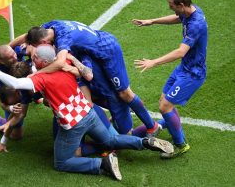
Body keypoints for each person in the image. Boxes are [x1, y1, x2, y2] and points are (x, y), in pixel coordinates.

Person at [0, 44, 174, 180]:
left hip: (73, 123)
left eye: (34, 59)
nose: (31, 59)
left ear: (42, 62)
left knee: (61, 162)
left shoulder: (40, 79)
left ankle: (102, 165)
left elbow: (16, 83)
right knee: (110, 140)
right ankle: (145, 142)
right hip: (89, 111)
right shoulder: (64, 60)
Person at [13, 20, 160, 137]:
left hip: (107, 51)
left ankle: (152, 126)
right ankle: (112, 126)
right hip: (93, 51)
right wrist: (8, 46)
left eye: (37, 47)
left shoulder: (64, 39)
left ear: (44, 42)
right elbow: (27, 36)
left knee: (124, 93)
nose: (37, 50)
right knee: (100, 94)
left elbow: (59, 63)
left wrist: (36, 75)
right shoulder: (50, 27)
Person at [132, 0, 207, 158]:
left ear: (181, 4)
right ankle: (164, 125)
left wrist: (153, 62)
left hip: (193, 74)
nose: (170, 8)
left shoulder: (196, 24)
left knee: (165, 105)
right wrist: (152, 21)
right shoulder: (190, 11)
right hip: (185, 67)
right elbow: (177, 17)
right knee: (165, 101)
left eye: (172, 5)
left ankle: (181, 145)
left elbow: (181, 52)